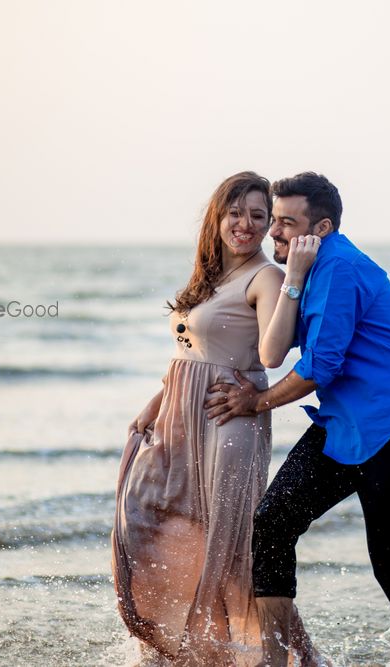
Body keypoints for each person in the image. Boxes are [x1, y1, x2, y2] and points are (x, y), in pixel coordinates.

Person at [204, 172, 390, 667]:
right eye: (273, 221)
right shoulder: (311, 269)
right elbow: (278, 345)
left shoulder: (339, 268)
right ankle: (276, 661)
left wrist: (257, 401)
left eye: (285, 224)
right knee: (272, 525)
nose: (273, 233)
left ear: (322, 227)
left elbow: (320, 367)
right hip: (344, 427)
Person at [111, 171, 324, 666]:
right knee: (142, 518)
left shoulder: (265, 276)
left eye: (258, 216)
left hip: (228, 424)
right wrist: (155, 404)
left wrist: (292, 274)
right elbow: (189, 354)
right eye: (236, 213)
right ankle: (180, 643)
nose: (245, 224)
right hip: (179, 422)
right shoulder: (208, 277)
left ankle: (302, 658)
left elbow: (270, 356)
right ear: (218, 217)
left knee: (235, 554)